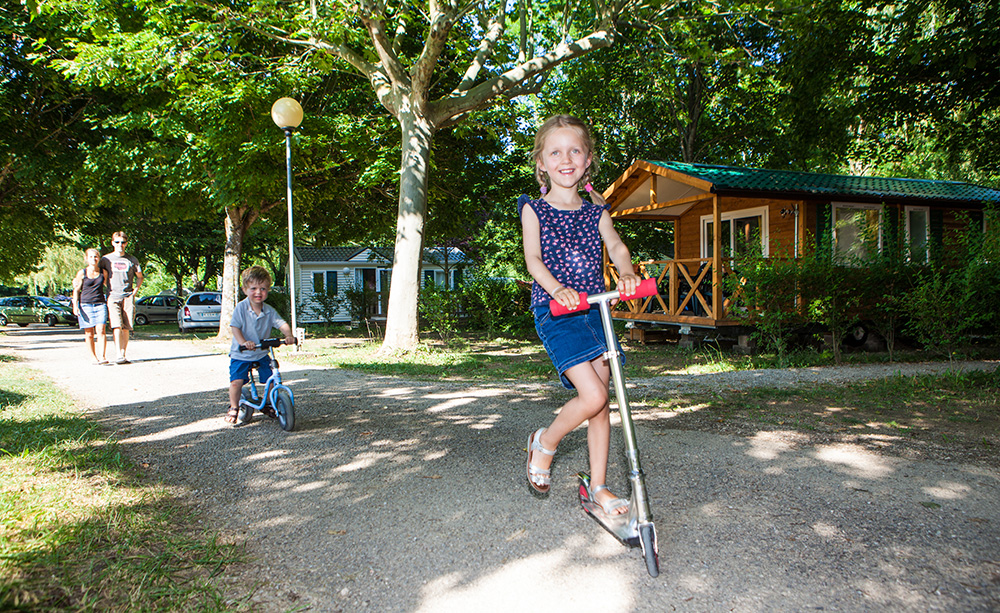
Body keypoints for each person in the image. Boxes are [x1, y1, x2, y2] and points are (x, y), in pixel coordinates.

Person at [519, 114, 640, 515]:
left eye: (575, 150)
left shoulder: (596, 212)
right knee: (593, 395)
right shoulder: (534, 210)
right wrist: (557, 289)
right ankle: (546, 441)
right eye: (555, 151)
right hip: (556, 311)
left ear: (588, 160)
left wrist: (625, 272)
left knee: (601, 405)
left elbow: (618, 247)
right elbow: (533, 261)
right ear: (542, 162)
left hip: (596, 311)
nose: (565, 158)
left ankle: (599, 486)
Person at [227, 265, 294, 426]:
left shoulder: (269, 310)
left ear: (268, 290)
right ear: (245, 290)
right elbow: (235, 327)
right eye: (254, 288)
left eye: (263, 288)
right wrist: (244, 342)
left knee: (271, 378)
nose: (258, 292)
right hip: (241, 353)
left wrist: (288, 335)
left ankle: (271, 402)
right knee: (237, 382)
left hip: (261, 352)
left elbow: (281, 323)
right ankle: (234, 407)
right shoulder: (241, 308)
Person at [100, 231, 143, 364]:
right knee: (116, 325)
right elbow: (102, 277)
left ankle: (123, 354)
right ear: (112, 243)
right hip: (113, 296)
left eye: (123, 242)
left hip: (128, 296)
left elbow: (140, 277)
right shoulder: (106, 259)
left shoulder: (132, 260)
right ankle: (118, 353)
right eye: (117, 242)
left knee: (126, 326)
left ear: (126, 243)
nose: (120, 245)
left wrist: (134, 291)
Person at [72, 248, 110, 364]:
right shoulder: (82, 273)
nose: (94, 259)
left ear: (99, 258)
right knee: (89, 333)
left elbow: (108, 286)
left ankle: (102, 356)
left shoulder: (103, 272)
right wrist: (75, 305)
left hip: (100, 304)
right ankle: (93, 357)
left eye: (96, 256)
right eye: (91, 257)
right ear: (86, 259)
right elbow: (76, 289)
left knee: (101, 330)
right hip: (85, 304)